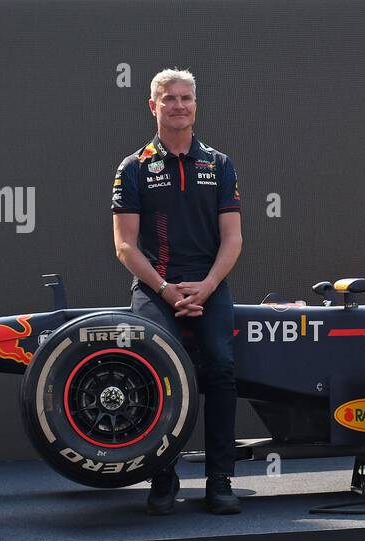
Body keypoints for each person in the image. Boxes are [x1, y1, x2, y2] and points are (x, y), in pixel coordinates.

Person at [111, 68, 243, 515]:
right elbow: (125, 245)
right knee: (156, 371)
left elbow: (234, 239)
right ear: (154, 106)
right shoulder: (134, 167)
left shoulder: (220, 164)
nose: (179, 105)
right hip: (156, 286)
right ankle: (162, 475)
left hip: (209, 285)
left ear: (195, 105)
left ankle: (220, 480)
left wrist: (205, 288)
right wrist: (167, 290)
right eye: (169, 99)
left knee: (222, 368)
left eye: (187, 98)